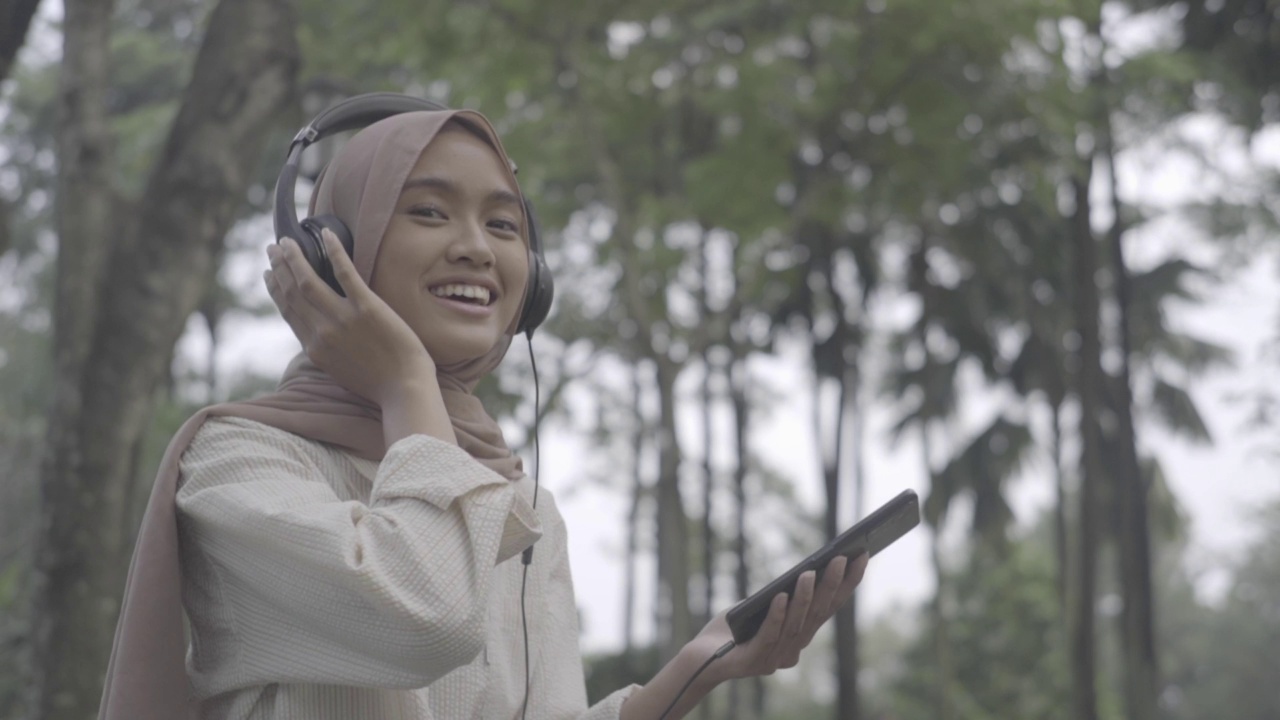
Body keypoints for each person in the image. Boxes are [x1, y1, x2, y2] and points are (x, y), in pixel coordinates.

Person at [98, 107, 867, 720]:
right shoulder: (240, 463)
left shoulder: (523, 508)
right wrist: (405, 381)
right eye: (429, 212)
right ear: (332, 250)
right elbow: (424, 614)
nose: (476, 248)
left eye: (503, 226)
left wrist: (695, 670)